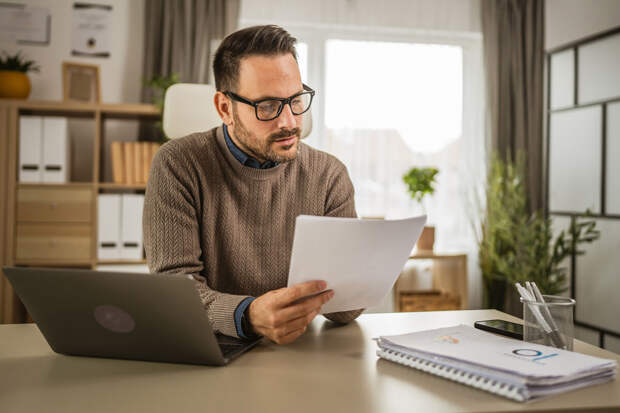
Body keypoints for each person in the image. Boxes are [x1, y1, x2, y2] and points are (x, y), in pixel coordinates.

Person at [143, 25, 362, 345]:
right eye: (268, 106)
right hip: (211, 352)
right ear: (224, 108)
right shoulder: (178, 165)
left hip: (301, 352)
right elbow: (174, 291)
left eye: (296, 99)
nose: (289, 121)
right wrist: (247, 315)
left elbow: (344, 311)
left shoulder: (329, 175)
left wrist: (360, 279)